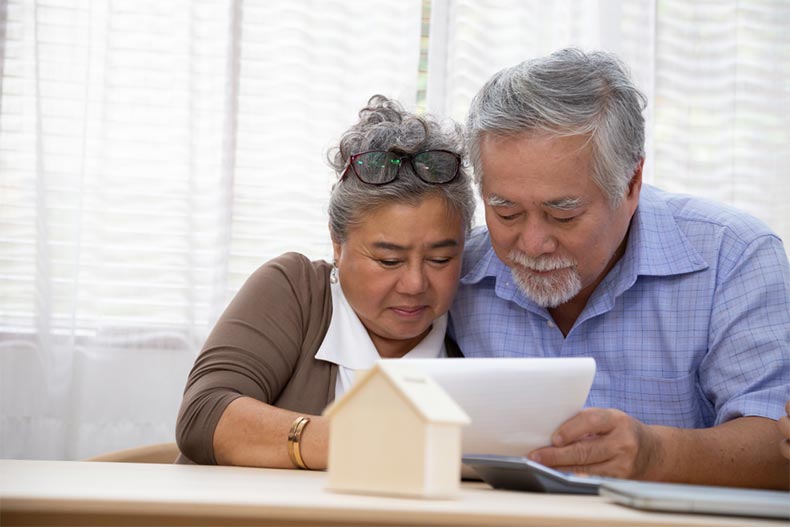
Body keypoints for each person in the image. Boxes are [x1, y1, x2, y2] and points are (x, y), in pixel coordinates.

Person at [451, 48, 790, 489]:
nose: (533, 244)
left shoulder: (735, 257)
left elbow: (778, 451)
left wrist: (657, 454)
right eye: (506, 212)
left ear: (631, 184)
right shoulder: (455, 269)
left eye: (564, 213)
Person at [176, 95, 476, 469]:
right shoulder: (294, 289)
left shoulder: (478, 311)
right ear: (338, 244)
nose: (415, 284)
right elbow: (204, 417)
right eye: (389, 260)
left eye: (440, 259)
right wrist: (374, 446)